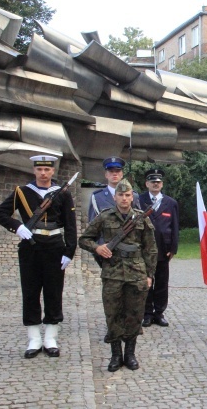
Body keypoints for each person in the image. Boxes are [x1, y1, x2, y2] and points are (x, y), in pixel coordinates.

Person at [0, 155, 77, 358]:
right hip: (31, 248)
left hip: (55, 247)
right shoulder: (21, 192)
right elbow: (0, 213)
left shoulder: (62, 194)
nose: (43, 173)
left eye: (47, 170)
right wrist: (18, 227)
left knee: (53, 292)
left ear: (52, 172)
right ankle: (34, 338)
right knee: (30, 292)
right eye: (39, 169)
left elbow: (70, 225)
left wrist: (69, 251)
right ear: (34, 170)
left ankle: (50, 338)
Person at [79, 179, 157, 372]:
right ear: (115, 197)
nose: (124, 198)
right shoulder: (105, 218)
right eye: (121, 195)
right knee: (112, 313)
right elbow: (84, 239)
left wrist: (150, 275)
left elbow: (151, 249)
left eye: (128, 195)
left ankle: (130, 354)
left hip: (137, 273)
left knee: (135, 313)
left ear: (132, 197)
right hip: (113, 273)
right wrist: (98, 248)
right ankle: (115, 355)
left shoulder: (141, 218)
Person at [139, 169, 179, 328]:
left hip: (163, 248)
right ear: (147, 184)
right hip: (144, 249)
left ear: (162, 184)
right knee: (146, 282)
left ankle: (159, 313)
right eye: (152, 181)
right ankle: (147, 313)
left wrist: (173, 248)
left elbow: (175, 226)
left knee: (162, 282)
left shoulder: (170, 203)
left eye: (158, 182)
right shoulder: (139, 200)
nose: (155, 184)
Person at [87, 156, 139, 224]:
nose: (114, 174)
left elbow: (139, 220)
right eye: (111, 171)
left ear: (122, 174)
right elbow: (92, 223)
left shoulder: (133, 196)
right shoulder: (97, 197)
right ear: (106, 175)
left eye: (117, 171)